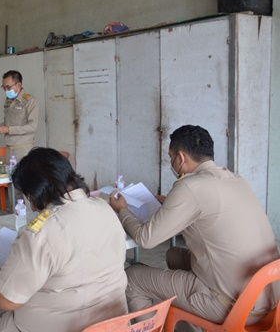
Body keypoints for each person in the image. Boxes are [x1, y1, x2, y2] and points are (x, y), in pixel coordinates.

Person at [109, 125, 279, 329]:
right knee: (173, 254)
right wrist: (168, 202)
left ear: (180, 157)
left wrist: (123, 210)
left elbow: (146, 239)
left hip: (234, 305)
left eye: (171, 157)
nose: (171, 162)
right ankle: (186, 306)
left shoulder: (189, 186)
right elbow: (206, 208)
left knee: (133, 277)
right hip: (267, 296)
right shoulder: (235, 179)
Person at [0, 148, 128, 332]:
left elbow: (2, 299)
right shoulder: (105, 210)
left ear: (34, 194)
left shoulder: (41, 233)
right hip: (113, 324)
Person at [0, 70, 38, 160]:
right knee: (9, 174)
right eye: (4, 87)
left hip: (23, 150)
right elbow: (9, 123)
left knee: (23, 174)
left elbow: (32, 127)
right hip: (9, 149)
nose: (6, 90)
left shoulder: (30, 101)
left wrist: (8, 129)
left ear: (18, 85)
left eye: (8, 87)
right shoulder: (9, 101)